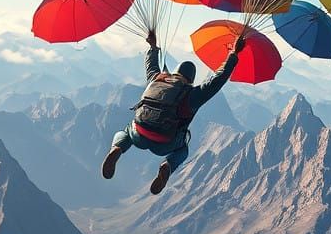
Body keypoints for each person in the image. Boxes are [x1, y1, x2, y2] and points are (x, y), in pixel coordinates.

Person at [101, 28, 246, 195]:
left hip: (138, 133)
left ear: (175, 72)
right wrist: (234, 53)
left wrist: (153, 47)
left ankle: (117, 148)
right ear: (191, 80)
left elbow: (151, 65)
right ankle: (167, 166)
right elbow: (218, 79)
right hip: (164, 143)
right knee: (182, 150)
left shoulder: (156, 78)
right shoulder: (192, 95)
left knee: (126, 130)